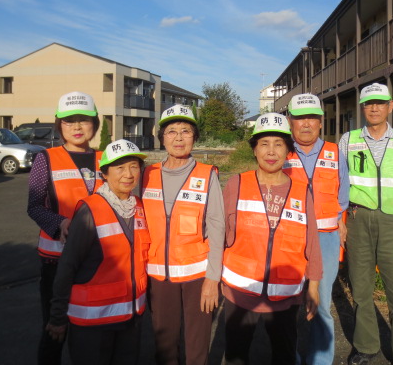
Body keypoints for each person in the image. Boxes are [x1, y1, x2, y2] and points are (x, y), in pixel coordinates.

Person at [222, 112, 322, 365]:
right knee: (236, 355)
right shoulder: (236, 183)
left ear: (288, 151)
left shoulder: (301, 191)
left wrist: (313, 287)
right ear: (254, 150)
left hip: (285, 293)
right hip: (241, 291)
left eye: (279, 144)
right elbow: (219, 234)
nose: (271, 151)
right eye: (264, 144)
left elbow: (312, 241)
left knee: (284, 355)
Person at [339, 83, 393, 365]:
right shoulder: (348, 140)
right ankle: (366, 346)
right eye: (368, 103)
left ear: (391, 106)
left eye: (380, 102)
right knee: (361, 290)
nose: (374, 107)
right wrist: (341, 222)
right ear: (363, 108)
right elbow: (340, 185)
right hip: (358, 220)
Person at [45, 139, 149, 365]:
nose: (128, 174)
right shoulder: (90, 210)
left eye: (134, 166)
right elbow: (68, 266)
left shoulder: (139, 207)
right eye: (119, 168)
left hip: (131, 319)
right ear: (104, 174)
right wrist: (57, 316)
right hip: (93, 323)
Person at [141, 104, 224, 365]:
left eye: (186, 131)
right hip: (158, 276)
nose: (178, 137)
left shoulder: (206, 174)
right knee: (165, 348)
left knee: (197, 347)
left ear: (195, 136)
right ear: (162, 137)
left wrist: (213, 279)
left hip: (197, 278)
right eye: (172, 131)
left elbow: (218, 227)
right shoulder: (146, 174)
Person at [27, 91, 103, 365]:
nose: (78, 127)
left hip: (98, 260)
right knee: (54, 330)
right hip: (56, 261)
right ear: (60, 125)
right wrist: (60, 223)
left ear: (95, 124)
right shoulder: (45, 159)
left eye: (84, 120)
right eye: (70, 122)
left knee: (91, 331)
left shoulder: (106, 159)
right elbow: (34, 206)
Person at [284, 93, 349, 365]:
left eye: (312, 118)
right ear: (290, 122)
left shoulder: (335, 152)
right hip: (289, 241)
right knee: (286, 303)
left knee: (321, 304)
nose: (306, 124)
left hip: (325, 239)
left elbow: (342, 195)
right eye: (299, 118)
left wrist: (339, 226)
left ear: (321, 122)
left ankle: (320, 360)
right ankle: (290, 357)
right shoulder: (281, 152)